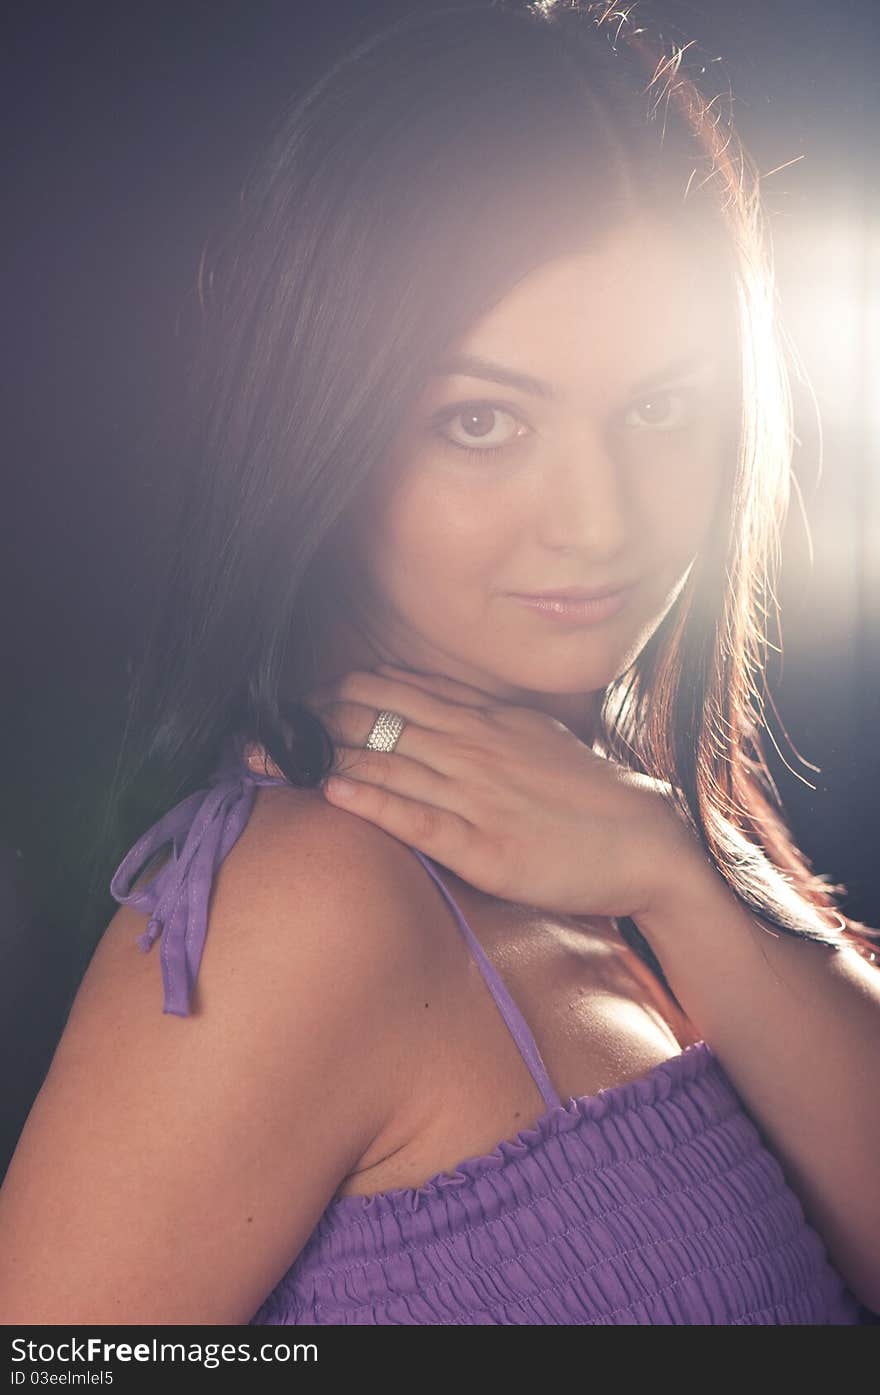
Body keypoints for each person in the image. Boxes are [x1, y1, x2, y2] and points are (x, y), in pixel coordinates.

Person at [1, 0, 878, 1326]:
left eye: (661, 408)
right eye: (481, 420)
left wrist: (680, 871)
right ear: (326, 430)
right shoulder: (303, 906)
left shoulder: (619, 839)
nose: (600, 521)